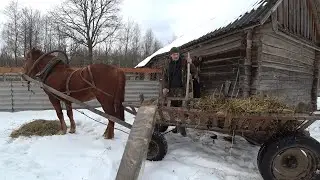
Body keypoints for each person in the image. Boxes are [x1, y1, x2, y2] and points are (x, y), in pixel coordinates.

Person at [162, 47, 197, 136]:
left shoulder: (184, 62)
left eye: (177, 54)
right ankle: (176, 126)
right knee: (173, 110)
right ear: (171, 55)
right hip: (171, 90)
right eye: (174, 54)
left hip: (182, 90)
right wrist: (165, 87)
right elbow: (165, 77)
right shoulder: (168, 64)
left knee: (182, 109)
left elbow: (194, 71)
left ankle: (182, 128)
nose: (176, 56)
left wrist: (191, 63)